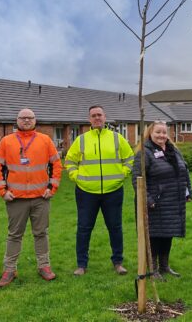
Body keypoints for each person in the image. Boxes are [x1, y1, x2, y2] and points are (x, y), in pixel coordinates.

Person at [0, 108, 62, 286]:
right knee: (14, 235)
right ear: (17, 121)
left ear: (35, 120)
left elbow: (56, 164)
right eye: (23, 118)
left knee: (41, 233)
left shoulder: (45, 140)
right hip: (16, 198)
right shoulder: (7, 141)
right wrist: (2, 191)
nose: (26, 121)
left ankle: (44, 266)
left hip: (41, 198)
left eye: (30, 118)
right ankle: (9, 269)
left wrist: (52, 188)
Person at [65, 105, 134, 276]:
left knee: (115, 227)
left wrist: (122, 175)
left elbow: (130, 158)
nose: (97, 118)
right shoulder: (81, 140)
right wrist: (77, 177)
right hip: (86, 192)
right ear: (89, 119)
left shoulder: (117, 138)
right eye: (93, 115)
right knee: (84, 228)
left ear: (105, 117)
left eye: (99, 115)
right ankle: (81, 264)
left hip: (113, 191)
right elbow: (69, 162)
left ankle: (118, 262)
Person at [132, 121, 192, 280]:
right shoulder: (144, 153)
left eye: (164, 132)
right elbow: (137, 179)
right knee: (154, 236)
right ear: (150, 133)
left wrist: (187, 192)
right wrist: (148, 199)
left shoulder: (173, 150)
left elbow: (183, 171)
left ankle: (165, 266)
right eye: (158, 132)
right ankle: (152, 269)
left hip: (173, 201)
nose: (161, 135)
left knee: (168, 234)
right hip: (155, 203)